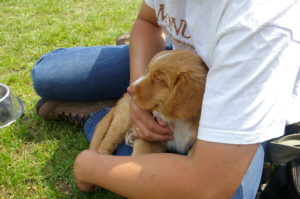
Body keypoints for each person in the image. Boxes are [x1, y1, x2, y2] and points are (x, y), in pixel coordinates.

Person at [32, 0, 300, 198]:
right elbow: (147, 21)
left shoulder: (261, 24)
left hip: (236, 94)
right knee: (47, 74)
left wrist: (90, 166)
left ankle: (98, 115)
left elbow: (208, 186)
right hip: (174, 62)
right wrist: (137, 94)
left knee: (207, 190)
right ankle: (127, 105)